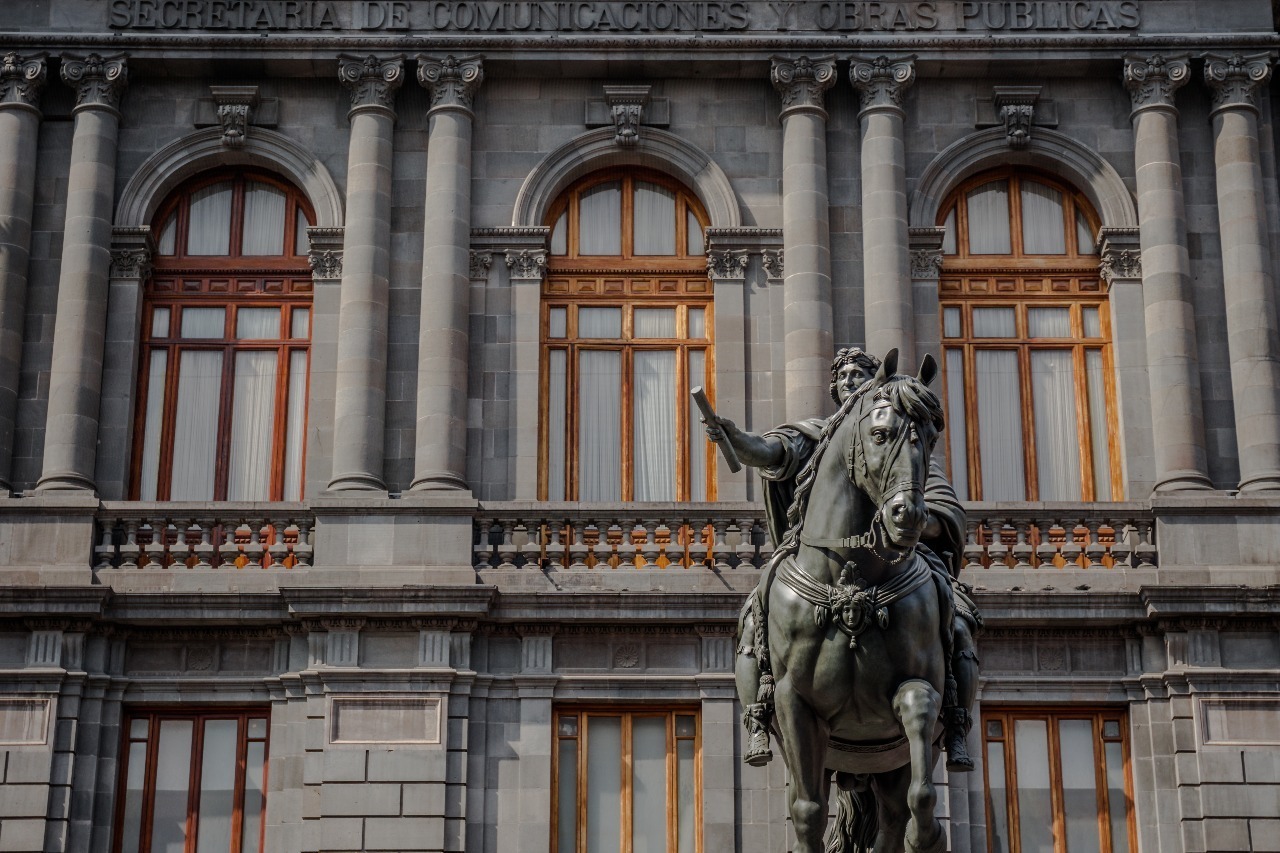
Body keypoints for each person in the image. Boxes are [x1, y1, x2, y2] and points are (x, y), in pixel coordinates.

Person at [705, 347, 981, 771]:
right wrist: (735, 438)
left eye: (860, 374)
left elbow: (943, 508)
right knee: (754, 615)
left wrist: (912, 519)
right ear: (834, 388)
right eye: (844, 375)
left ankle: (956, 722)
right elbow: (769, 451)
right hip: (816, 560)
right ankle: (758, 715)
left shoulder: (903, 438)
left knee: (958, 619)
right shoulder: (813, 436)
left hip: (902, 559)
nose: (851, 381)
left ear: (876, 385)